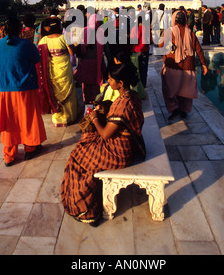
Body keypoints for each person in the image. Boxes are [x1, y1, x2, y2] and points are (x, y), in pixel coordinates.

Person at [60, 61, 146, 226]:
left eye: (110, 80)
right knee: (84, 143)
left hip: (119, 152)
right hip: (124, 144)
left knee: (77, 158)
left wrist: (94, 118)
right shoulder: (130, 95)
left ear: (120, 83)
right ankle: (89, 196)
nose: (108, 82)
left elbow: (106, 134)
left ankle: (86, 210)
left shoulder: (124, 104)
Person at [0, 17, 47, 166]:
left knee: (9, 121)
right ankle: (30, 148)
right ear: (20, 30)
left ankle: (9, 155)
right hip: (24, 88)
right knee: (27, 118)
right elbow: (36, 58)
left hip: (4, 90)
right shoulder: (25, 44)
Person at [160, 11, 208, 119]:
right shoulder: (190, 32)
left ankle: (173, 108)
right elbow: (199, 49)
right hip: (188, 66)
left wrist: (173, 47)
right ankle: (184, 110)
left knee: (169, 89)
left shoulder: (169, 31)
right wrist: (203, 64)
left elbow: (161, 44)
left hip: (173, 67)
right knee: (186, 90)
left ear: (174, 20)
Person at [37, 17, 80, 127]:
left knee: (55, 90)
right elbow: (71, 52)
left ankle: (58, 116)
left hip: (52, 69)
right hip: (64, 68)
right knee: (68, 90)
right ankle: (70, 115)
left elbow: (39, 56)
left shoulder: (44, 40)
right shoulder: (63, 37)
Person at [69, 13, 105, 104]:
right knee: (96, 86)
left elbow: (76, 46)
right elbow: (107, 49)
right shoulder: (101, 32)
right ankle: (96, 105)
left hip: (85, 62)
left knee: (86, 86)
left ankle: (87, 106)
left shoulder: (85, 31)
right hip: (97, 62)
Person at [130, 14, 152, 88]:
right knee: (144, 69)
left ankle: (136, 85)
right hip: (145, 51)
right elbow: (151, 41)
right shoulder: (147, 29)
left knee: (135, 69)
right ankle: (143, 85)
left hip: (136, 51)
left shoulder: (134, 29)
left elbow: (132, 41)